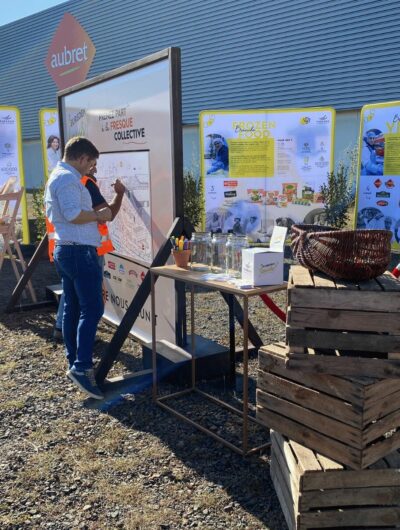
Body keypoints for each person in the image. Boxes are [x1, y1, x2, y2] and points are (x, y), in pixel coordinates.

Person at [45, 136, 112, 400]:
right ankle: (82, 367)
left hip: (69, 250)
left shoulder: (60, 176)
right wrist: (99, 215)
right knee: (93, 307)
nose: (91, 169)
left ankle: (75, 360)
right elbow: (73, 214)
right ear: (82, 157)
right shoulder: (68, 179)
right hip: (78, 252)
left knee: (73, 307)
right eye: (90, 164)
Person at [53, 160, 126, 340]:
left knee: (71, 295)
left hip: (62, 246)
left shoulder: (60, 178)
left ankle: (62, 329)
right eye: (92, 164)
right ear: (82, 161)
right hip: (87, 249)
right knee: (89, 302)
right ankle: (83, 344)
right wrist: (120, 194)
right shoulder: (86, 183)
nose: (95, 168)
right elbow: (108, 214)